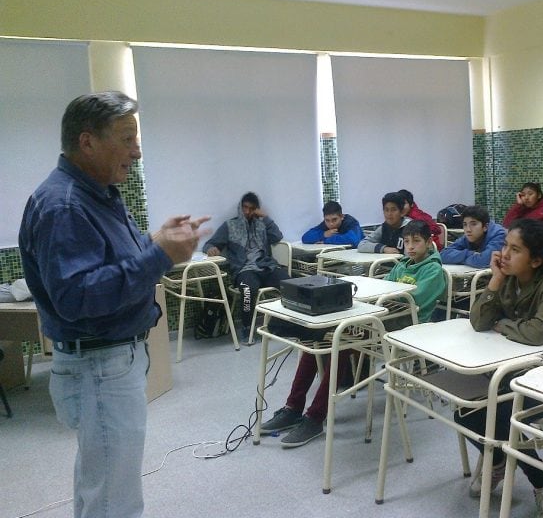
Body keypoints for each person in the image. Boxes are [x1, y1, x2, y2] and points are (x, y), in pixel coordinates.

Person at [18, 91, 209, 518]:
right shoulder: (64, 204)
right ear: (88, 142)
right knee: (114, 500)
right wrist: (160, 255)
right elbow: (77, 297)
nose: (137, 151)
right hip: (99, 368)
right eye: (127, 139)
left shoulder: (97, 192)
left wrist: (157, 240)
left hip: (109, 363)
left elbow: (120, 259)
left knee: (101, 482)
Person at [259, 220, 446, 447]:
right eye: (407, 242)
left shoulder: (435, 270)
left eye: (417, 241)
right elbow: (384, 287)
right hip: (383, 315)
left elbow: (414, 300)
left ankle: (315, 417)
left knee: (342, 341)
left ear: (429, 242)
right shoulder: (402, 264)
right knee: (319, 335)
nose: (411, 246)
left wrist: (384, 299)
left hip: (405, 324)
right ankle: (293, 407)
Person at [456, 218, 543, 516]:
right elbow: (479, 322)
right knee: (463, 408)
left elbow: (536, 333)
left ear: (537, 259)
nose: (504, 253)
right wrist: (495, 279)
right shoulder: (510, 278)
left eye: (514, 249)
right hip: (519, 367)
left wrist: (502, 323)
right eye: (505, 245)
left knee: (501, 413)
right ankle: (497, 461)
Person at [203, 192, 288, 338]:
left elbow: (277, 236)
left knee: (289, 284)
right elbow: (209, 244)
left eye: (252, 208)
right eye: (245, 207)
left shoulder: (262, 225)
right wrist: (211, 249)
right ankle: (247, 327)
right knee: (248, 290)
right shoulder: (230, 225)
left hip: (266, 266)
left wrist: (265, 217)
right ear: (240, 207)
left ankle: (285, 324)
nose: (247, 212)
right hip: (244, 270)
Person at [440, 205, 506, 268]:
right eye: (465, 225)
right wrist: (469, 254)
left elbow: (483, 261)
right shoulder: (468, 237)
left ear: (485, 227)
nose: (468, 230)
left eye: (473, 224)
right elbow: (443, 254)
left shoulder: (499, 234)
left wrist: (459, 258)